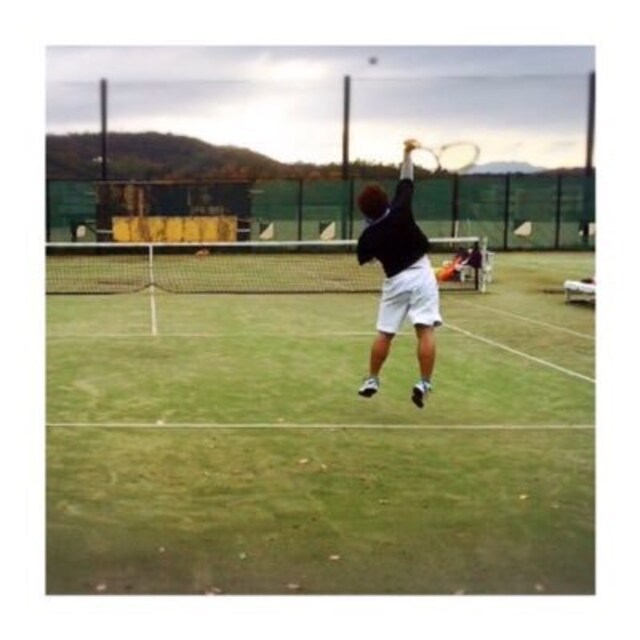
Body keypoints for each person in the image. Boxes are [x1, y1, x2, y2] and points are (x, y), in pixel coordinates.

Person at [356, 139, 442, 408]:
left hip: (395, 281)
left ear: (364, 211)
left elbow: (367, 259)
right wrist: (407, 153)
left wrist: (375, 233)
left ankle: (372, 379)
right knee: (425, 330)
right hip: (422, 274)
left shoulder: (367, 238)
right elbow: (406, 178)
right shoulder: (401, 207)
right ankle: (424, 383)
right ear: (386, 202)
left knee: (385, 333)